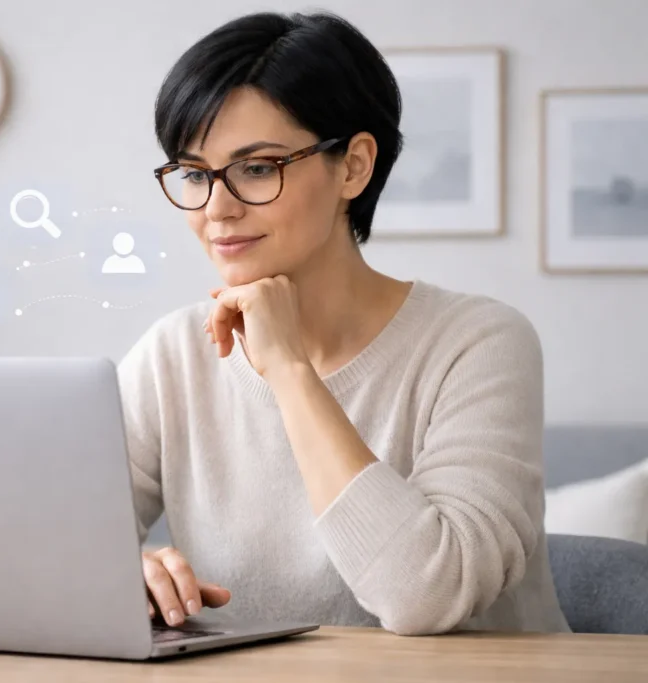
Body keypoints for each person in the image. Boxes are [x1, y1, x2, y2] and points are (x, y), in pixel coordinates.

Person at [117, 10, 572, 636]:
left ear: (354, 166)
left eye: (257, 168)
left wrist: (288, 369)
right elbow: (50, 545)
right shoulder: (171, 355)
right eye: (195, 174)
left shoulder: (479, 343)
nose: (216, 208)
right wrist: (125, 571)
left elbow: (426, 595)